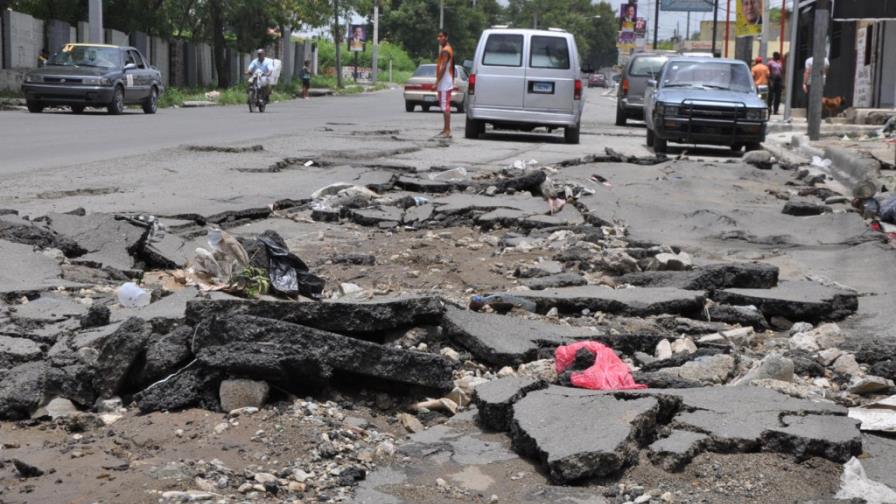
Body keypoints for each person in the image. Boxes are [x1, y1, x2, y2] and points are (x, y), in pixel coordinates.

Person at [435, 30, 455, 139]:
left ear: (446, 37)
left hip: (444, 82)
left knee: (445, 106)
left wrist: (437, 82)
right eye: (438, 36)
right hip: (446, 81)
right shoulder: (447, 48)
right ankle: (446, 129)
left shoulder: (446, 51)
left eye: (441, 36)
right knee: (444, 106)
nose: (439, 38)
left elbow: (443, 68)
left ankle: (447, 131)